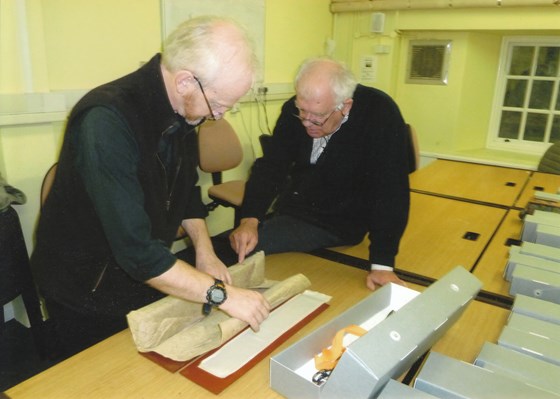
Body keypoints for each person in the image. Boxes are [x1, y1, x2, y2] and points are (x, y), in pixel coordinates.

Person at [31, 16, 270, 359]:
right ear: (186, 80)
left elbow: (185, 189)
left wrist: (204, 249)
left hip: (132, 271)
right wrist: (223, 295)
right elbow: (137, 253)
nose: (219, 116)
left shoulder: (182, 107)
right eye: (218, 104)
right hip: (83, 286)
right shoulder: (107, 120)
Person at [229, 57, 410, 290]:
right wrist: (249, 219)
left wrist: (383, 265)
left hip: (341, 222)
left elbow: (390, 189)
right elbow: (271, 166)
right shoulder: (296, 110)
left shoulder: (379, 112)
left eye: (318, 116)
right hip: (296, 210)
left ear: (345, 106)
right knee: (238, 248)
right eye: (301, 112)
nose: (307, 122)